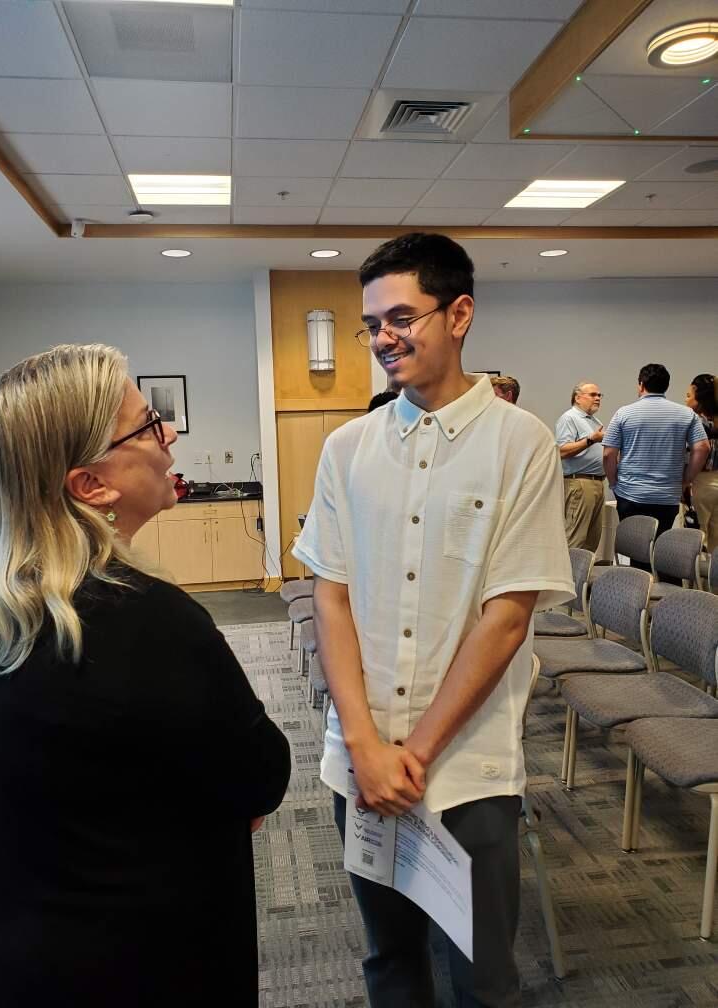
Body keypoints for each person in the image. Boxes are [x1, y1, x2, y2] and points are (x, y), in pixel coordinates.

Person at [0, 344, 291, 1008]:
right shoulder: (149, 621)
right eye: (147, 425)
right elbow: (261, 776)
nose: (169, 435)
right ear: (91, 486)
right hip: (141, 959)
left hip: (11, 953)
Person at [294, 233, 573, 1008]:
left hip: (467, 767)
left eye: (401, 317)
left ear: (460, 314)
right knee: (390, 962)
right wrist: (363, 746)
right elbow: (333, 597)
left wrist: (410, 753)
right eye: (371, 322)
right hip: (360, 758)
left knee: (482, 977)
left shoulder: (523, 443)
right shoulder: (348, 447)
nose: (383, 337)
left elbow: (508, 617)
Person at [603, 364, 709, 559]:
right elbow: (702, 448)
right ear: (666, 386)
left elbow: (608, 454)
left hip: (630, 493)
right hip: (666, 495)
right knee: (661, 549)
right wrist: (686, 479)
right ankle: (660, 586)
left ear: (641, 385)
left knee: (635, 551)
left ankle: (639, 586)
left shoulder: (624, 413)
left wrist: (613, 482)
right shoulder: (686, 415)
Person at [555, 382, 606, 551]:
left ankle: (583, 577)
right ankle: (568, 577)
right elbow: (562, 451)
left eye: (599, 395)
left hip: (597, 482)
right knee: (575, 540)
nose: (598, 398)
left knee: (592, 540)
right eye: (593, 395)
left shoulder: (594, 421)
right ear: (577, 398)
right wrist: (591, 439)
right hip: (580, 483)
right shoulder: (569, 418)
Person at [686, 372, 718, 551]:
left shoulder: (695, 422)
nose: (686, 400)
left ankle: (696, 580)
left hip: (700, 483)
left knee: (696, 540)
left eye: (688, 395)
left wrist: (685, 480)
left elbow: (691, 453)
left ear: (699, 395)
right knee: (716, 541)